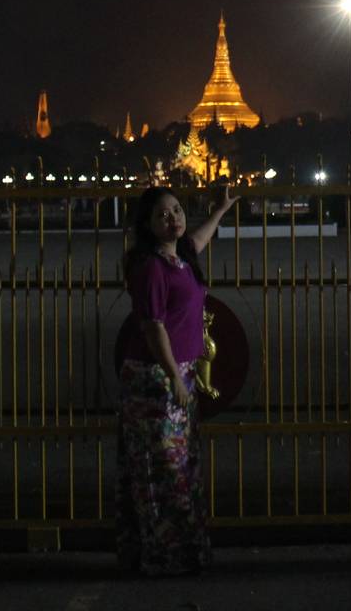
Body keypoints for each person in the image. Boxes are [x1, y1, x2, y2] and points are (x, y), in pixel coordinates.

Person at [115, 183, 239, 576]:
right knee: (163, 469)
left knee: (181, 468)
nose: (174, 218)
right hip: (155, 377)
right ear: (148, 225)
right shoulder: (150, 267)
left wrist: (220, 211)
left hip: (176, 372)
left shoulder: (180, 257)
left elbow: (198, 239)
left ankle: (183, 553)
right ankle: (163, 554)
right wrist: (175, 377)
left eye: (177, 210)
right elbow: (153, 327)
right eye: (163, 214)